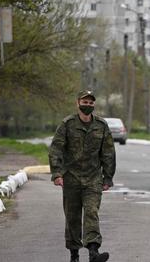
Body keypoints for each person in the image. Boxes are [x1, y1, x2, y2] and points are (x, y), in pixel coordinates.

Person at [49, 90, 116, 262]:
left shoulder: (101, 125)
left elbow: (108, 153)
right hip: (71, 178)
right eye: (84, 102)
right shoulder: (67, 124)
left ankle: (93, 252)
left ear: (94, 105)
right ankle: (74, 255)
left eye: (90, 103)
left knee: (92, 212)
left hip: (93, 179)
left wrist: (108, 177)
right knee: (72, 217)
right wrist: (57, 173)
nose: (88, 105)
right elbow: (56, 149)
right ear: (77, 103)